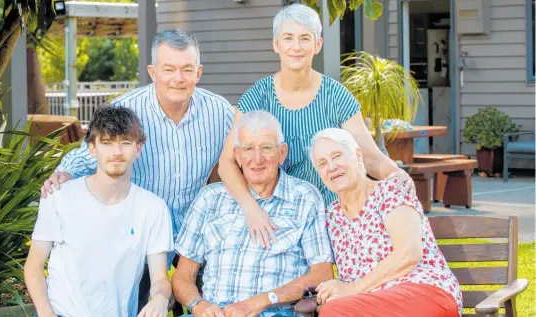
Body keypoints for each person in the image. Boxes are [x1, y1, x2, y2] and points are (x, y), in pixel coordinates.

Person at [40, 29, 235, 310]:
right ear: (153, 71)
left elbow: (244, 152)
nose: (178, 78)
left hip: (197, 229)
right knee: (139, 304)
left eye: (186, 69)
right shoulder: (127, 108)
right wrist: (64, 173)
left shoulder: (220, 112)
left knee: (208, 304)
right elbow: (90, 152)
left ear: (198, 72)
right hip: (140, 230)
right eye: (168, 69)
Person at [217, 3, 413, 249]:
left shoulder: (336, 96)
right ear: (276, 44)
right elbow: (227, 163)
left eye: (304, 38)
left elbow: (370, 156)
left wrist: (398, 175)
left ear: (317, 44)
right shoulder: (257, 97)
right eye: (288, 38)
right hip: (276, 219)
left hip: (332, 216)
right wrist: (251, 209)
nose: (296, 47)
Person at [172, 111, 334, 317]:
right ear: (237, 155)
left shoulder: (305, 197)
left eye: (266, 148)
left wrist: (263, 301)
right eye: (248, 149)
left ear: (282, 153)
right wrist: (198, 305)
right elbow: (183, 275)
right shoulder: (210, 197)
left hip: (275, 313)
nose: (257, 159)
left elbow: (322, 273)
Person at [24, 107, 173, 317]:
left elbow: (160, 279)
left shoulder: (153, 208)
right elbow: (34, 265)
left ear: (138, 148)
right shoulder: (59, 196)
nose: (117, 152)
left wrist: (160, 298)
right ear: (92, 148)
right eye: (107, 143)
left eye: (126, 143)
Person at [308, 128, 462, 317]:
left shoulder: (391, 190)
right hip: (370, 305)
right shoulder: (331, 216)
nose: (331, 167)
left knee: (335, 312)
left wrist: (353, 288)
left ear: (357, 155)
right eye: (322, 163)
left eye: (337, 156)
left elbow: (409, 253)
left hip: (423, 292)